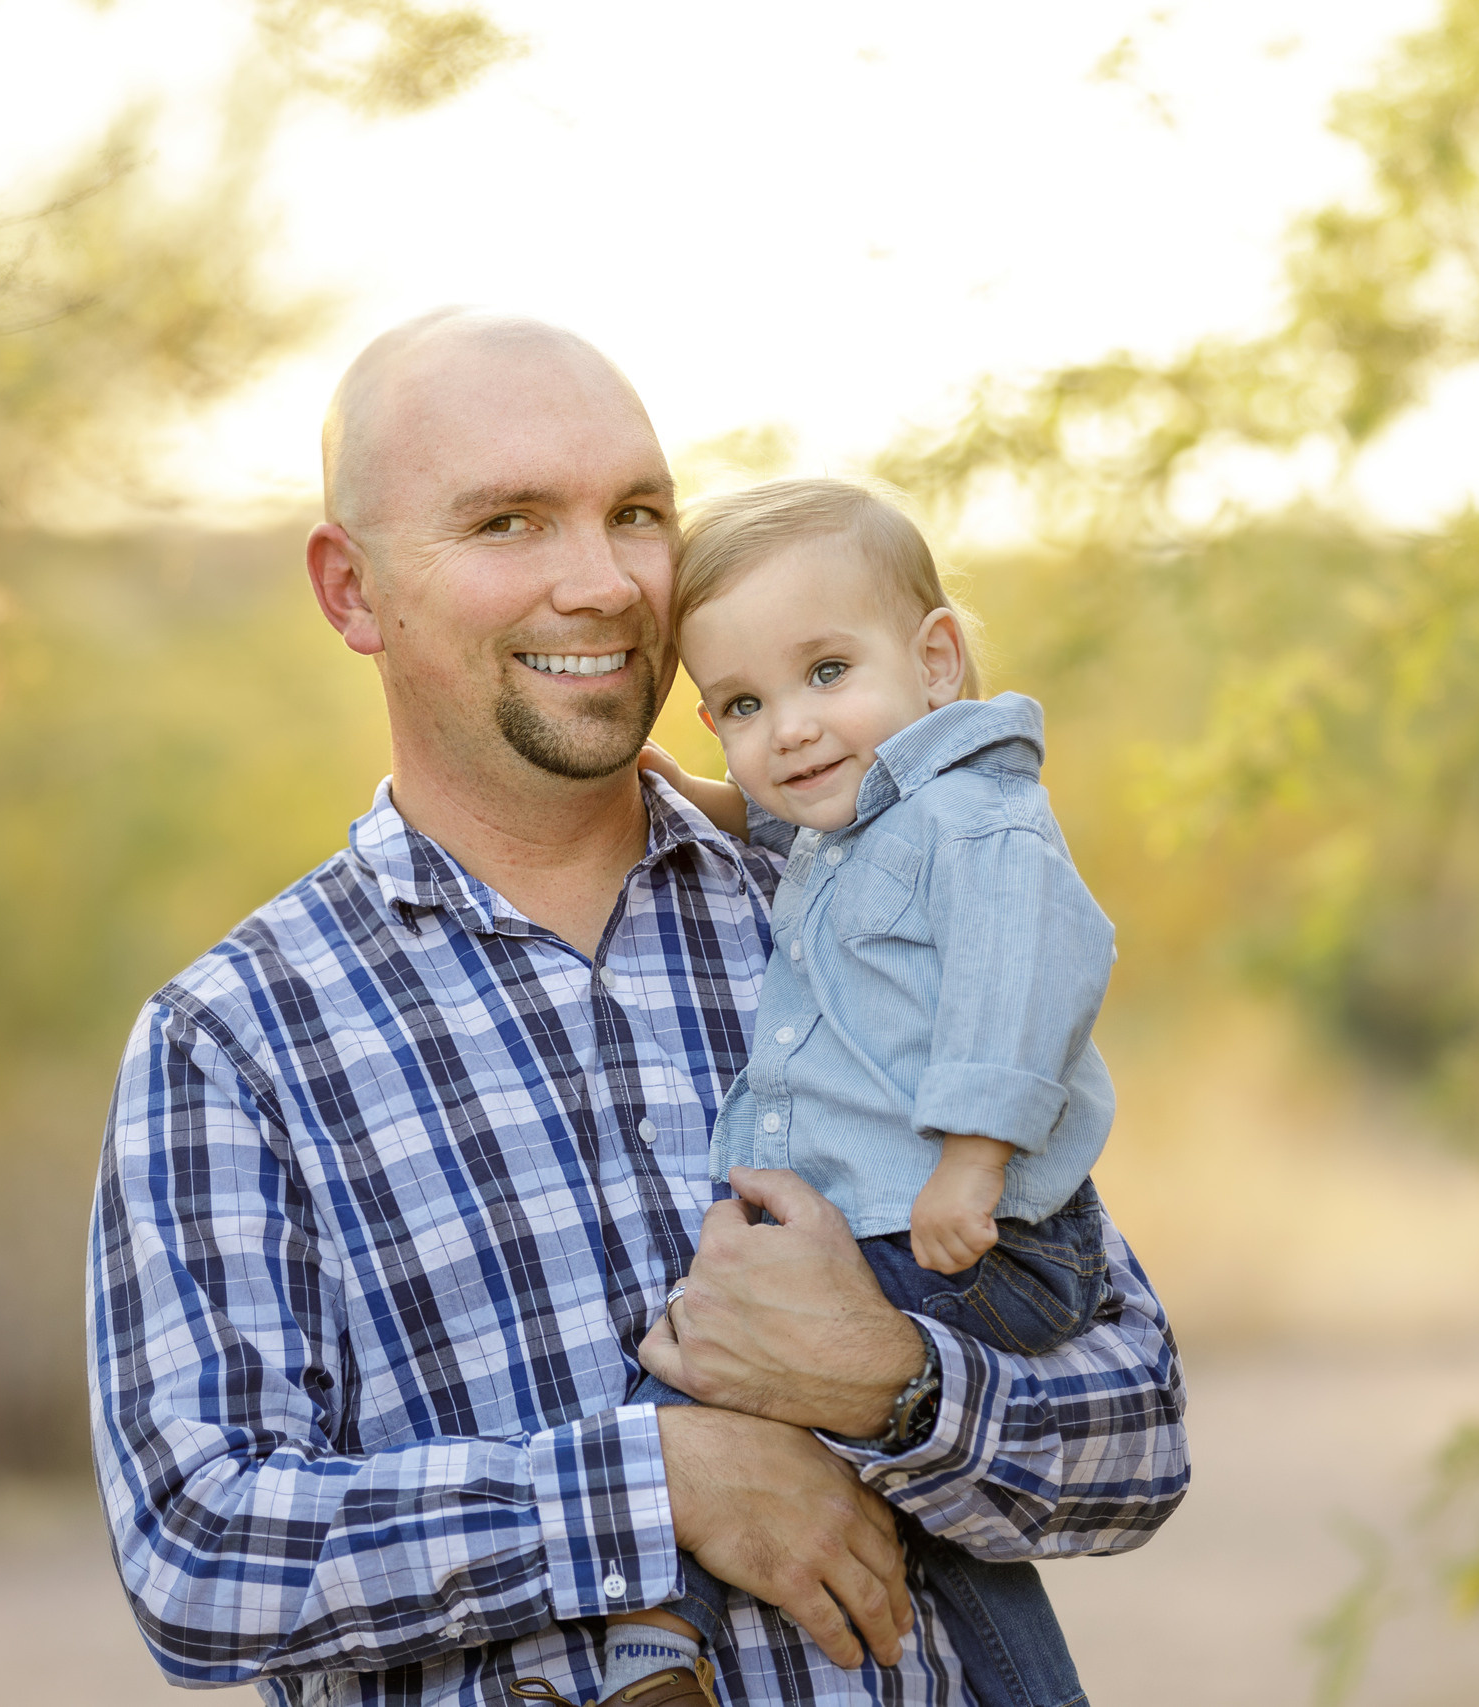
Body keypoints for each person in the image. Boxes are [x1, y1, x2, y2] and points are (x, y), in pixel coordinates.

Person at [86, 309, 1189, 1707]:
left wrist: (895, 1387)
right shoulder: (236, 1040)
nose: (602, 582)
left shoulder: (855, 907)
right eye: (508, 523)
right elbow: (199, 1551)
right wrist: (652, 1482)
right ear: (352, 592)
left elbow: (1141, 1432)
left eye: (638, 513)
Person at [614, 478, 1119, 1707]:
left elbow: (1028, 979)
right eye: (743, 705)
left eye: (826, 673)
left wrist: (973, 1160)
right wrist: (710, 799)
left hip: (969, 1234)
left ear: (936, 659)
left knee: (698, 1355)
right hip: (920, 1223)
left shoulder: (979, 822)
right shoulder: (867, 822)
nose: (789, 729)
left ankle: (645, 1641)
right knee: (935, 1537)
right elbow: (814, 853)